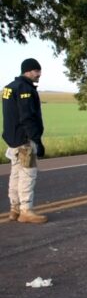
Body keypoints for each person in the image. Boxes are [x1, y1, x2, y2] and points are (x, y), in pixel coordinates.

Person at [2, 58, 48, 223]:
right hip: (24, 140)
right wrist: (37, 140)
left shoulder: (9, 88)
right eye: (37, 71)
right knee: (28, 174)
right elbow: (27, 116)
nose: (39, 74)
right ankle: (26, 210)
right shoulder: (24, 88)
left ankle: (14, 209)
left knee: (15, 173)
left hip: (12, 138)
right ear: (28, 71)